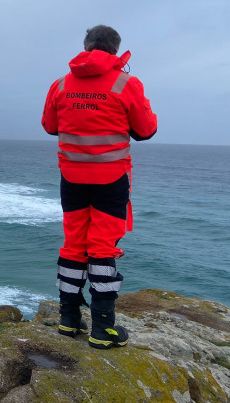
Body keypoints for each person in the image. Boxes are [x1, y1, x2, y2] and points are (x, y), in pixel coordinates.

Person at [41, 25, 157, 349]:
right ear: (115, 51)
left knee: (73, 244)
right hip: (110, 181)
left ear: (87, 46)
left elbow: (50, 126)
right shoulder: (126, 84)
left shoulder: (61, 85)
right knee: (103, 247)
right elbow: (146, 130)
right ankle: (103, 328)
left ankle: (68, 320)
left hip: (72, 180)